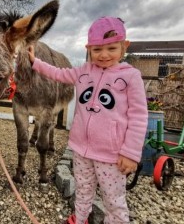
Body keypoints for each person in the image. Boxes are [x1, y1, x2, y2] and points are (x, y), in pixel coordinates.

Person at [28, 16, 148, 224]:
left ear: (124, 46)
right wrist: (35, 63)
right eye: (97, 49)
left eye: (111, 48)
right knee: (83, 190)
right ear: (88, 49)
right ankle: (80, 218)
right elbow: (58, 73)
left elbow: (138, 116)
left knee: (113, 199)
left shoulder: (131, 77)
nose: (104, 55)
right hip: (81, 149)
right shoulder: (84, 71)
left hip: (111, 155)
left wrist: (130, 153)